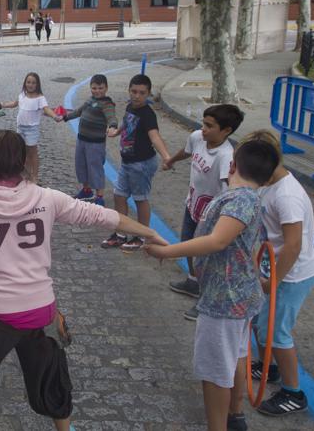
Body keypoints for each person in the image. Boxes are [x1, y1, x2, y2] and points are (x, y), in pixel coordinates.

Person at [0, 130, 168, 431]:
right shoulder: (47, 198)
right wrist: (150, 232)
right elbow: (102, 216)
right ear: (23, 161)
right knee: (51, 378)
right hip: (40, 310)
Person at [143, 140, 280, 431]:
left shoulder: (241, 200)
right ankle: (234, 414)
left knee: (216, 370)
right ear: (267, 178)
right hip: (234, 295)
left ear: (232, 166)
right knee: (235, 356)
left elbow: (218, 240)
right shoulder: (244, 198)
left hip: (225, 300)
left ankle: (219, 425)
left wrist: (167, 253)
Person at [241, 130, 314, 417]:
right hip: (272, 269)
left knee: (277, 332)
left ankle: (293, 392)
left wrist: (272, 282)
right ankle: (268, 368)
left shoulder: (287, 195)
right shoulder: (267, 184)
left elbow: (293, 244)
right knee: (260, 324)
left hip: (292, 274)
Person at [162, 104, 243, 317]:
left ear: (226, 131)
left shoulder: (226, 156)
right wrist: (171, 160)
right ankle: (193, 281)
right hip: (192, 204)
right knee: (188, 244)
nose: (203, 129)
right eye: (203, 124)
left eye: (210, 126)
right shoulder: (198, 137)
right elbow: (186, 151)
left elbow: (229, 188)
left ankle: (206, 298)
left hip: (211, 215)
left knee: (204, 256)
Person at [102, 74, 173, 252]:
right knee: (119, 196)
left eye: (142, 93)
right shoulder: (130, 107)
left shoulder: (148, 114)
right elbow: (127, 123)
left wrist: (166, 156)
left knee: (140, 199)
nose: (137, 96)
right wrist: (116, 132)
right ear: (129, 90)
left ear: (148, 94)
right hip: (127, 162)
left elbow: (154, 136)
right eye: (134, 91)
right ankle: (120, 234)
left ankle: (142, 236)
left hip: (142, 163)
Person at [59, 74, 119, 205]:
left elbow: (111, 117)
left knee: (95, 168)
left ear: (106, 88)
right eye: (94, 88)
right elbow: (78, 111)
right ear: (90, 88)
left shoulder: (107, 104)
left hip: (95, 144)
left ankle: (99, 197)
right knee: (81, 165)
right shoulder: (89, 100)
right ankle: (86, 190)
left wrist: (113, 127)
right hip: (82, 140)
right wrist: (65, 117)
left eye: (100, 88)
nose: (97, 91)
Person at [0, 72, 62, 183]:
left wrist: (54, 116)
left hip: (32, 129)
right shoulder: (22, 94)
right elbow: (15, 103)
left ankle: (35, 176)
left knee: (32, 152)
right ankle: (27, 174)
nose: (30, 85)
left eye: (33, 83)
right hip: (21, 128)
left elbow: (46, 109)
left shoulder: (40, 98)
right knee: (24, 152)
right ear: (25, 83)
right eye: (28, 82)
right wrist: (3, 105)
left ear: (37, 84)